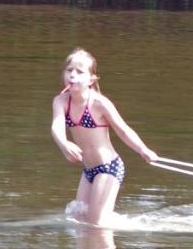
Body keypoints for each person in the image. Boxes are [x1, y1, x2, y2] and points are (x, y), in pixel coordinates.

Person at [50, 48, 158, 226]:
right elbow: (56, 126)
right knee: (78, 219)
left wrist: (143, 150)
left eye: (79, 71)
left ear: (91, 80)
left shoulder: (99, 103)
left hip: (108, 168)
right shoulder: (60, 101)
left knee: (96, 224)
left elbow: (123, 130)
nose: (72, 75)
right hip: (88, 171)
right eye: (69, 70)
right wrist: (64, 144)